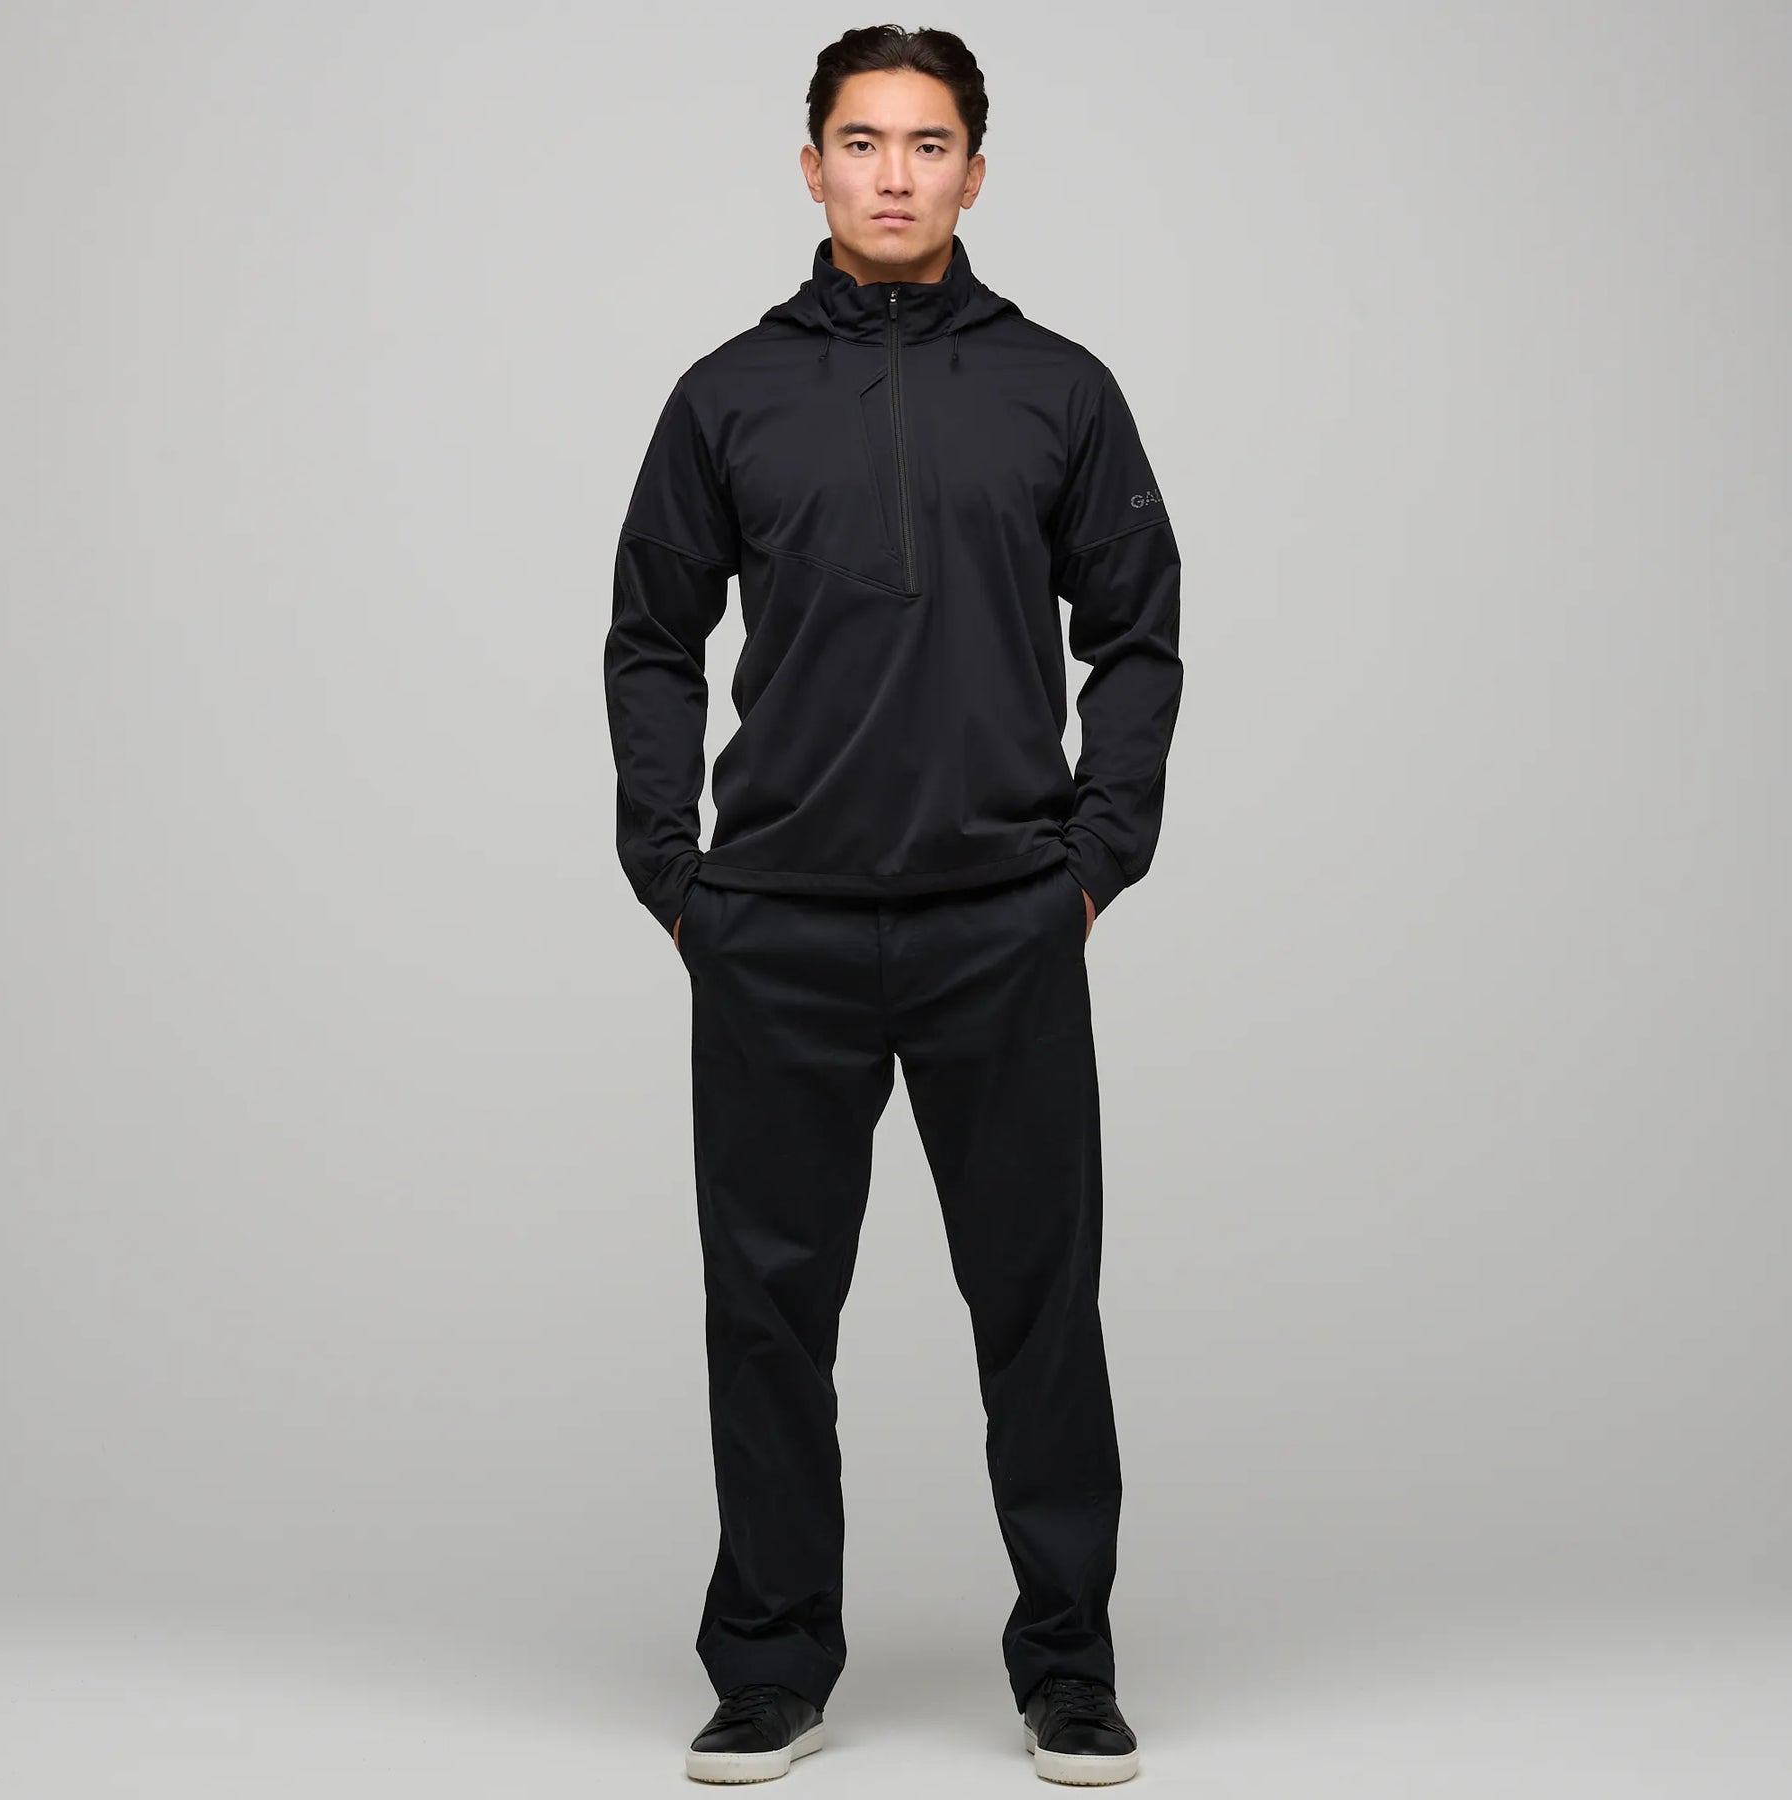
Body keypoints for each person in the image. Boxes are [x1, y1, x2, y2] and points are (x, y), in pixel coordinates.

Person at [604, 24, 1181, 1787]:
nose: (895, 173)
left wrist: (1095, 863)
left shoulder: (1060, 390)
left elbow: (1140, 635)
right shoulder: (727, 395)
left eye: (929, 144)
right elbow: (650, 638)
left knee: (1040, 1309)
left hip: (1004, 921)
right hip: (773, 929)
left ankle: (1068, 1671)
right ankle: (771, 1667)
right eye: (863, 141)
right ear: (813, 167)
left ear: (975, 174)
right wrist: (674, 875)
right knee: (768, 1316)